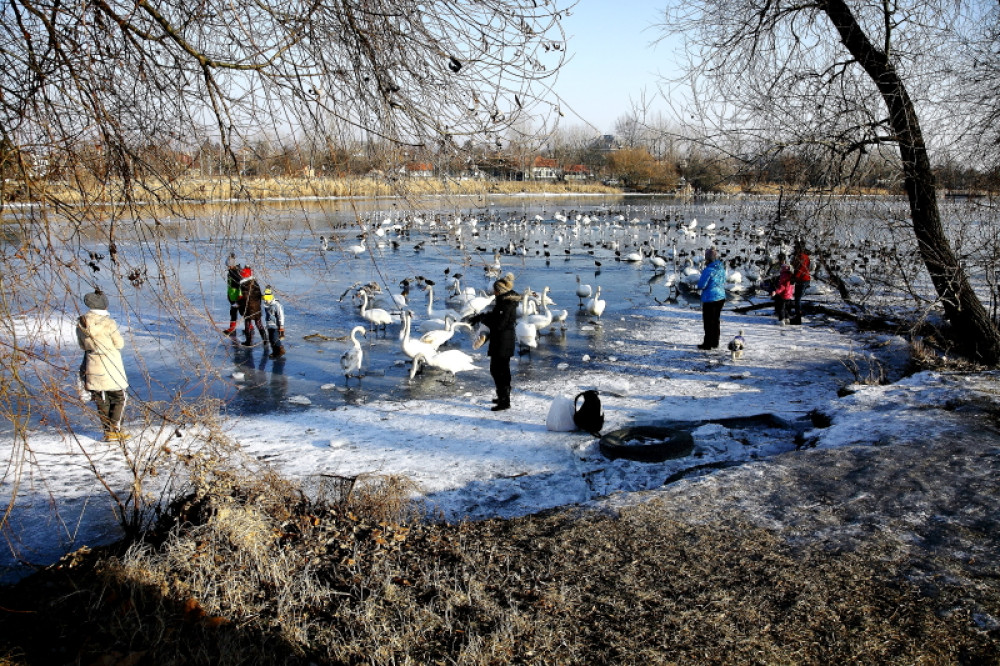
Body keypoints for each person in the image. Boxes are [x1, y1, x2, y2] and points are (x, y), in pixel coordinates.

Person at [76, 289, 130, 441]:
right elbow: (119, 343)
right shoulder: (108, 323)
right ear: (103, 306)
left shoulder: (82, 322)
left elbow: (82, 346)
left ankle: (107, 431)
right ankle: (115, 429)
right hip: (110, 364)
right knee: (119, 397)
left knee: (101, 398)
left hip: (92, 364)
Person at [466, 272, 520, 411]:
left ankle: (504, 400)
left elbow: (500, 324)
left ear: (499, 291)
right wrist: (480, 316)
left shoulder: (506, 304)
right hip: (503, 340)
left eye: (495, 290)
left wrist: (484, 321)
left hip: (503, 341)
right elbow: (496, 316)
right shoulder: (505, 301)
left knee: (498, 370)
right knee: (501, 369)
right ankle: (503, 396)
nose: (493, 293)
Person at [696, 247, 726, 350]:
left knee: (708, 322)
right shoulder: (721, 268)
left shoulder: (708, 270)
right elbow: (723, 281)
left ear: (708, 259)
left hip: (710, 298)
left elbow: (701, 285)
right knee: (716, 320)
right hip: (721, 297)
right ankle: (715, 342)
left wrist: (698, 287)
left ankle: (707, 344)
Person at [238, 266, 266, 347]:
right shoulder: (255, 283)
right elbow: (259, 295)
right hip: (256, 307)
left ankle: (248, 341)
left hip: (248, 309)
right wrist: (258, 305)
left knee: (247, 324)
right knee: (259, 323)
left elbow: (241, 298)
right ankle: (265, 340)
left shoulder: (242, 285)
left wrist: (240, 307)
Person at [262, 285, 286, 359]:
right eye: (265, 299)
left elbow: (280, 316)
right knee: (271, 339)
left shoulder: (277, 305)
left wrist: (281, 326)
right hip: (269, 325)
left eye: (267, 299)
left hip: (275, 325)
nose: (266, 301)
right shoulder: (266, 305)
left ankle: (280, 350)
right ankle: (275, 352)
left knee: (275, 339)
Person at [222, 253, 242, 335]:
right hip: (232, 296)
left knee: (238, 312)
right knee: (234, 312)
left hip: (237, 297)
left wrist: (240, 296)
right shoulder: (231, 272)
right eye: (227, 266)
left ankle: (233, 329)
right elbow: (230, 285)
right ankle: (233, 329)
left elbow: (241, 284)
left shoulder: (236, 273)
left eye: (229, 266)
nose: (228, 267)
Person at [792, 243, 811, 324]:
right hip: (805, 278)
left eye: (795, 248)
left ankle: (798, 318)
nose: (794, 250)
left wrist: (795, 277)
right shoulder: (806, 257)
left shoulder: (801, 257)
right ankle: (797, 315)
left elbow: (801, 268)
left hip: (802, 280)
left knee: (797, 299)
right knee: (797, 298)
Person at [771, 260, 795, 325]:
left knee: (781, 308)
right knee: (786, 308)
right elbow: (791, 287)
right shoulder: (791, 276)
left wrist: (775, 292)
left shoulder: (783, 276)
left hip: (783, 296)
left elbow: (782, 287)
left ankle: (781, 320)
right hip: (789, 296)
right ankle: (787, 318)